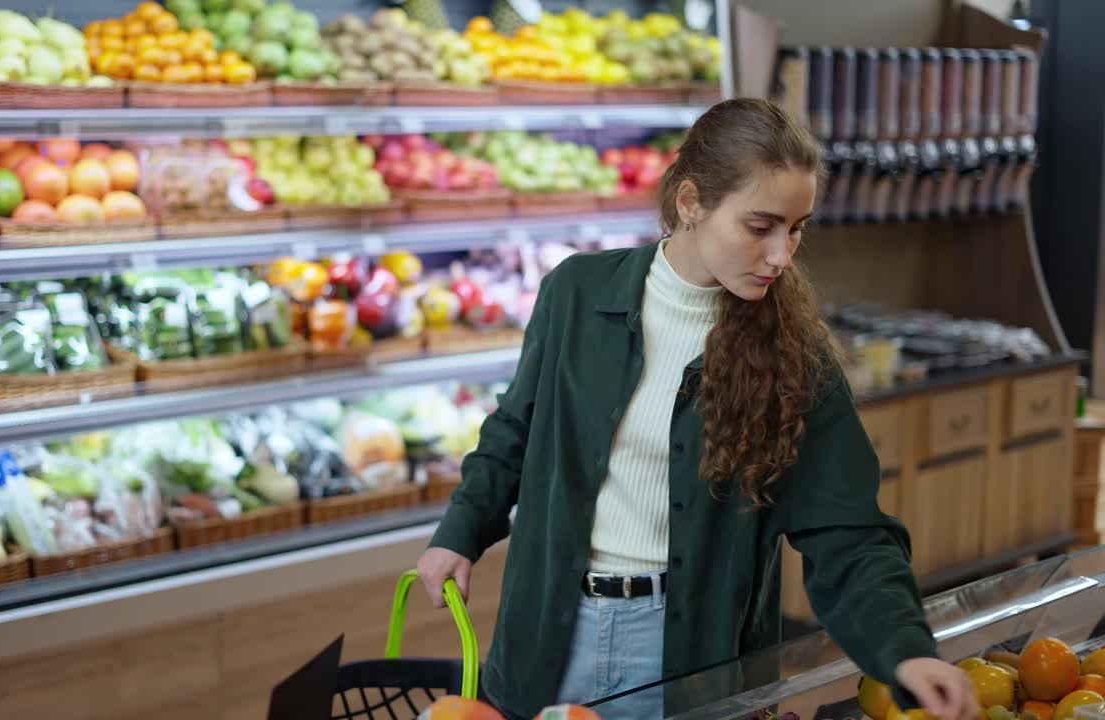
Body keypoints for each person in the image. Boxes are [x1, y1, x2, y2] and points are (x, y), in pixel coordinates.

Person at [416, 98, 977, 720]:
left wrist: (905, 649)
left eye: (796, 229)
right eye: (760, 227)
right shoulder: (576, 292)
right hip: (548, 631)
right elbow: (515, 430)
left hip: (687, 655)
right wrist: (461, 531)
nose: (782, 255)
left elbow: (848, 531)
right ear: (690, 202)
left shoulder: (795, 354)